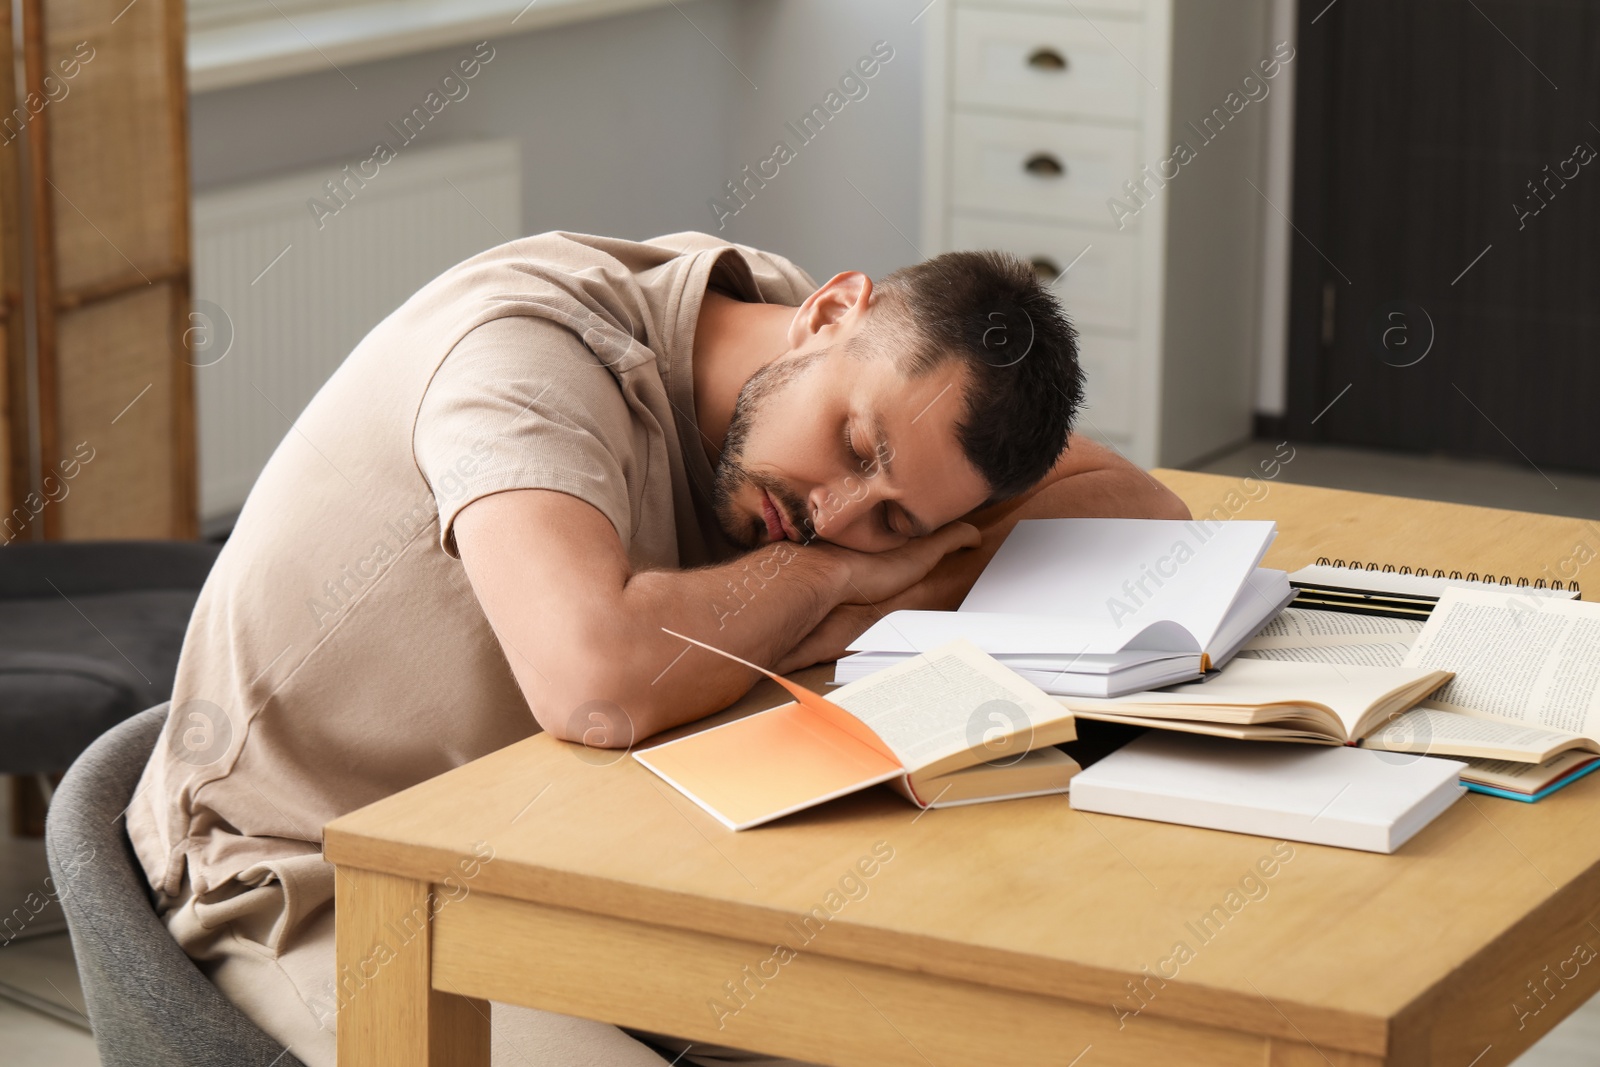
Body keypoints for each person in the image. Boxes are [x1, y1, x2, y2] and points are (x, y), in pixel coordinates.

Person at [127, 231, 1189, 1067]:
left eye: (898, 521)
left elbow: (1136, 511)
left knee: (993, 1028)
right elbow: (597, 687)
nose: (835, 512)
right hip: (318, 874)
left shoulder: (779, 327)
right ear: (826, 314)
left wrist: (864, 587)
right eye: (854, 447)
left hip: (569, 856)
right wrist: (827, 577)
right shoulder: (520, 356)